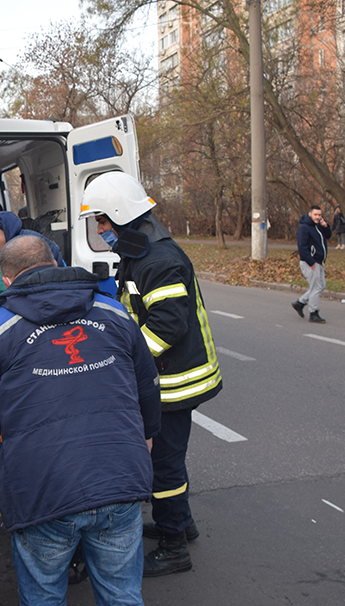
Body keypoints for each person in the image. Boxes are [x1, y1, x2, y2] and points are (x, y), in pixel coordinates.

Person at [0, 234, 161, 606]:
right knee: (122, 593)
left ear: (7, 280)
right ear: (54, 263)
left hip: (42, 487)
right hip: (120, 474)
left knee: (43, 596)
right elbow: (147, 384)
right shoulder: (113, 311)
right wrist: (148, 434)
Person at [79, 171, 222, 578]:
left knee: (163, 465)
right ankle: (180, 523)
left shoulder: (157, 259)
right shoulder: (140, 250)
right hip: (171, 375)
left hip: (176, 380)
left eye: (102, 222)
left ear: (121, 216)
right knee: (169, 458)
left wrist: (128, 361)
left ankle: (175, 545)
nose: (100, 230)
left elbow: (168, 325)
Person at [292, 205, 332, 324]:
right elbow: (302, 247)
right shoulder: (304, 228)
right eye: (315, 215)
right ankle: (313, 313)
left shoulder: (318, 226)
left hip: (318, 261)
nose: (318, 217)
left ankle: (300, 303)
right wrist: (311, 262)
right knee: (316, 287)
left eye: (320, 215)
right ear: (310, 214)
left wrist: (325, 226)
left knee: (321, 285)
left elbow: (328, 236)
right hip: (309, 262)